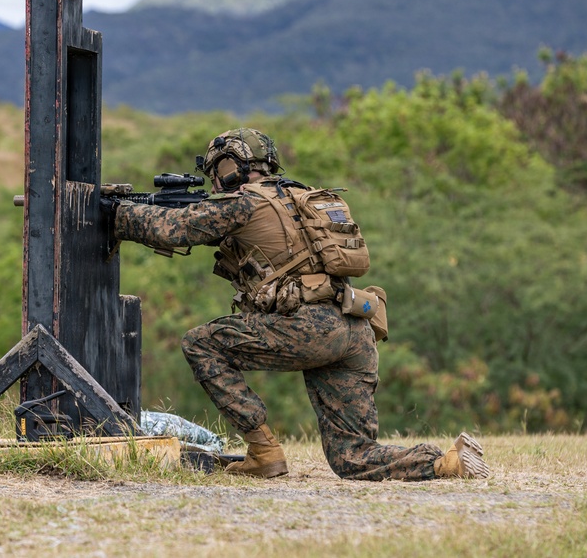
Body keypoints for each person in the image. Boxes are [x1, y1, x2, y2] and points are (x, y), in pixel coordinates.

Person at [109, 128, 490, 481]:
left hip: (309, 329)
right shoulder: (300, 198)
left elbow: (169, 230)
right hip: (354, 327)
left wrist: (116, 213)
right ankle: (446, 462)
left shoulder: (244, 203)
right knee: (353, 458)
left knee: (201, 342)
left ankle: (263, 451)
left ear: (233, 168)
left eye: (218, 170)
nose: (215, 182)